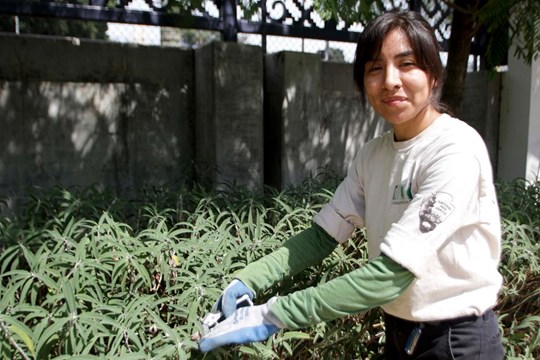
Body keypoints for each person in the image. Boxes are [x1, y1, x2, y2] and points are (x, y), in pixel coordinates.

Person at [197, 9, 505, 359]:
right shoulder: (373, 155)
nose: (390, 80)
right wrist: (248, 280)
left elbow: (390, 276)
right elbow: (322, 236)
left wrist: (273, 314)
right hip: (401, 334)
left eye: (406, 64)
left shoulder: (455, 150)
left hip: (456, 342)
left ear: (433, 76)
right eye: (375, 68)